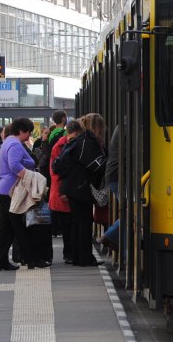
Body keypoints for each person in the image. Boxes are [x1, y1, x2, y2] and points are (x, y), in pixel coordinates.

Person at [54, 113, 107, 267]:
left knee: (77, 223)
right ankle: (85, 258)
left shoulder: (78, 140)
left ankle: (77, 256)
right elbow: (97, 165)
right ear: (97, 127)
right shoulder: (88, 142)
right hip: (81, 187)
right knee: (84, 223)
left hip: (72, 187)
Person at [0, 117, 46, 270]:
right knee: (20, 227)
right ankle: (31, 259)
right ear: (22, 131)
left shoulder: (7, 142)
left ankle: (1, 261)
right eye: (28, 133)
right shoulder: (15, 145)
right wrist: (30, 177)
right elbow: (14, 165)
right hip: (13, 191)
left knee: (6, 228)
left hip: (4, 189)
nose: (29, 136)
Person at [49, 119, 81, 264]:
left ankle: (71, 253)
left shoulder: (60, 145)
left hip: (68, 190)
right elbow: (54, 171)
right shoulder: (59, 146)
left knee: (71, 225)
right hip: (63, 192)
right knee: (67, 225)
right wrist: (63, 191)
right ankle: (68, 253)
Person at [99, 124, 121, 252]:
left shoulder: (122, 126)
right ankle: (109, 236)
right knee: (133, 213)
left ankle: (111, 237)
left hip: (115, 176)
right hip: (119, 177)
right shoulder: (131, 127)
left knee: (131, 211)